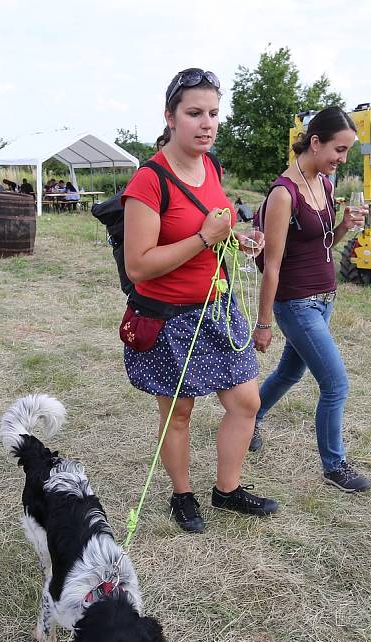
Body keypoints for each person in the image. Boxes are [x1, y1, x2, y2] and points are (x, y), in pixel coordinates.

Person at [122, 67, 278, 533]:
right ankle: (182, 494)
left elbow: (217, 227)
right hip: (168, 318)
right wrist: (203, 237)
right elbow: (139, 266)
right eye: (194, 113)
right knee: (178, 412)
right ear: (170, 116)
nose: (206, 123)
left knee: (245, 401)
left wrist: (234, 240)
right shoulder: (148, 181)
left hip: (217, 308)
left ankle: (226, 491)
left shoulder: (211, 167)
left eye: (213, 113)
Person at [251, 107, 371, 493]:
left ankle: (250, 418)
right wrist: (264, 322)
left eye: (348, 151)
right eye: (339, 149)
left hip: (324, 299)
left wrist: (343, 228)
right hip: (296, 303)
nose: (343, 159)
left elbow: (321, 245)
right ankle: (334, 466)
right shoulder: (283, 194)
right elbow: (272, 264)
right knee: (336, 385)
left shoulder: (325, 183)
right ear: (315, 142)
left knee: (290, 372)